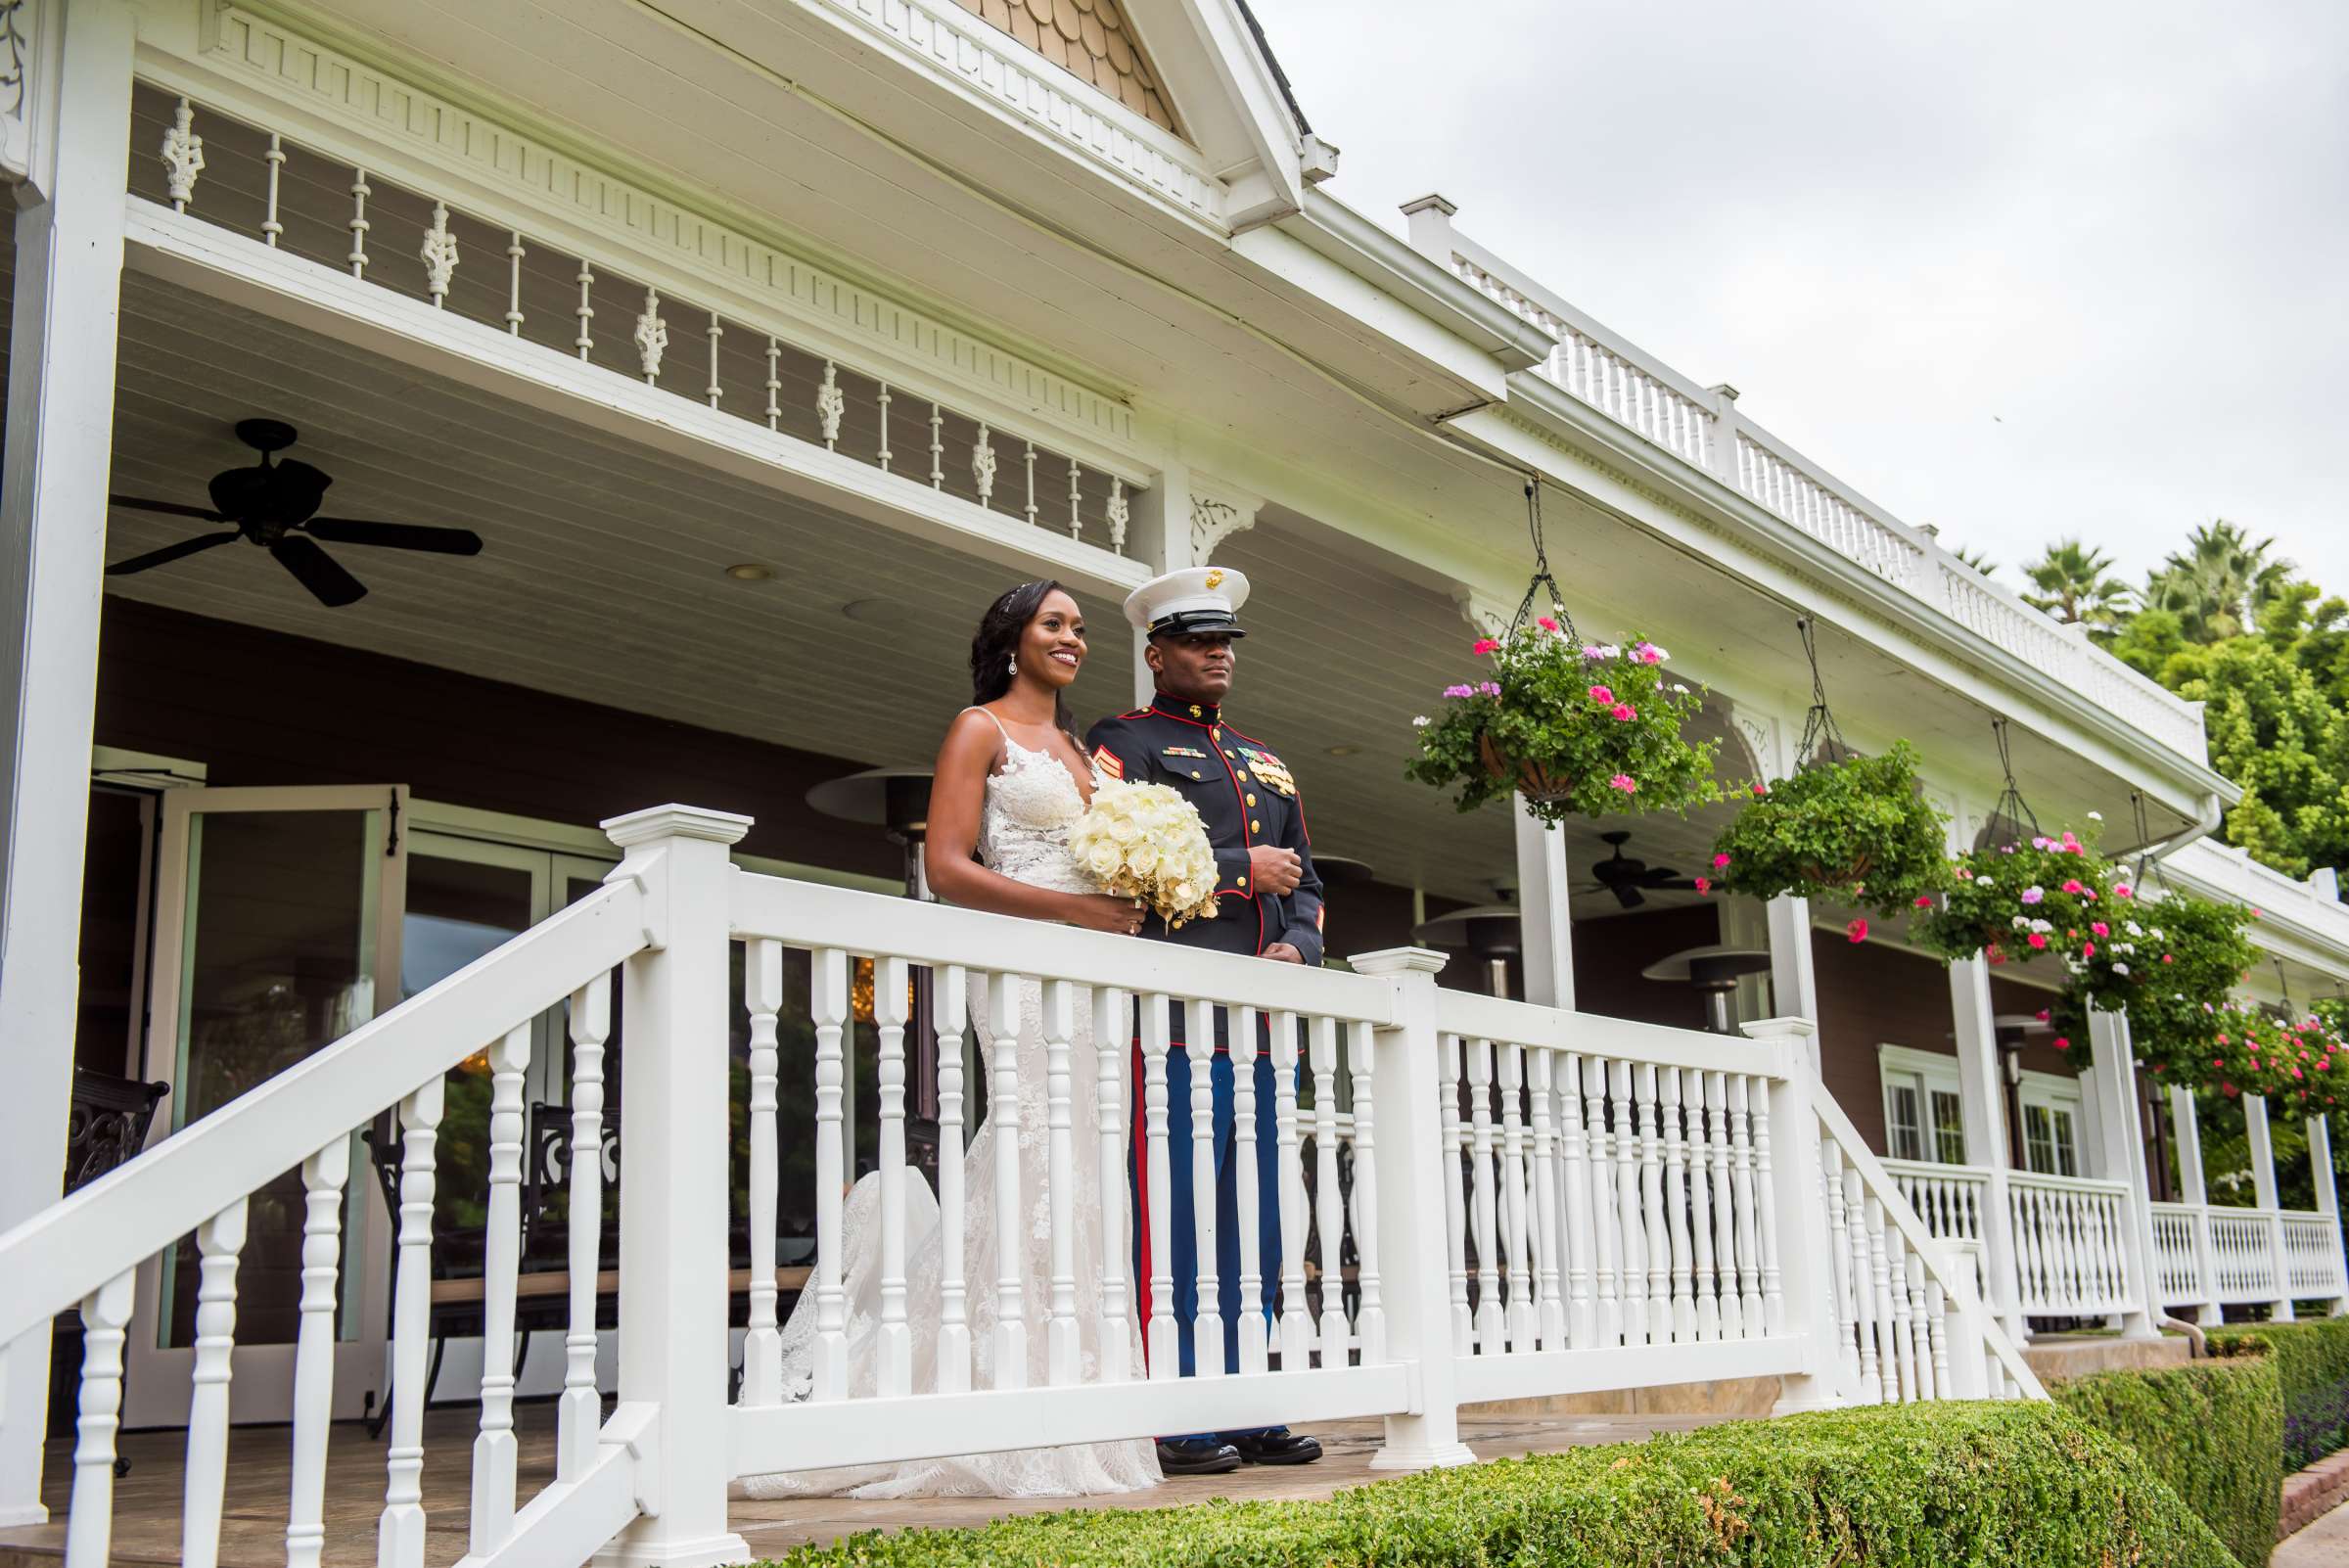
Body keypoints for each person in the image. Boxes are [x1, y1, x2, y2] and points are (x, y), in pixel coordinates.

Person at [743, 579, 1162, 1499]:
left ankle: (1079, 1398)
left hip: (1099, 984)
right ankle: (983, 1397)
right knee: (1031, 1152)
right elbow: (946, 866)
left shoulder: (1089, 754)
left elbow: (1110, 858)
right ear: (1012, 640)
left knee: (1089, 1169)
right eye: (1054, 624)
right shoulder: (981, 729)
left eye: (1081, 629)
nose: (1073, 639)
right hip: (1018, 969)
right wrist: (1076, 913)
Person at [1085, 566, 1327, 1475]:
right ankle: (1177, 1410)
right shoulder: (1127, 741)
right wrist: (1237, 872)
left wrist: (1300, 949)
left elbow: (1308, 880)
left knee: (1260, 1214)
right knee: (1179, 1210)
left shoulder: (1268, 759)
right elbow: (1113, 861)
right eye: (1196, 642)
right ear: (1157, 654)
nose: (1216, 655)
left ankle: (1248, 1395)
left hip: (1264, 1029)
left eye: (1224, 642)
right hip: (1179, 1021)